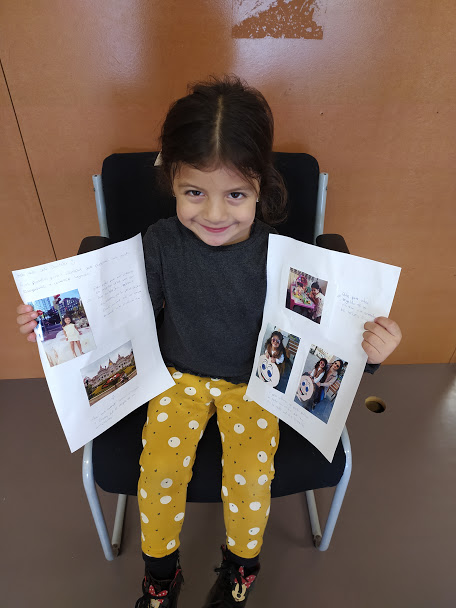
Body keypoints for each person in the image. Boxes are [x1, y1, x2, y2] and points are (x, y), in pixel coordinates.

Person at [16, 75, 403, 608]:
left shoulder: (283, 257)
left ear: (261, 187)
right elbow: (120, 309)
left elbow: (322, 338)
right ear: (172, 182)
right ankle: (161, 575)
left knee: (251, 477)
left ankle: (242, 568)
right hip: (177, 377)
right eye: (194, 192)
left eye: (235, 194)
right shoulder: (160, 242)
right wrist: (54, 321)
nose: (215, 214)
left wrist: (371, 352)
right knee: (158, 471)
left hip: (255, 384)